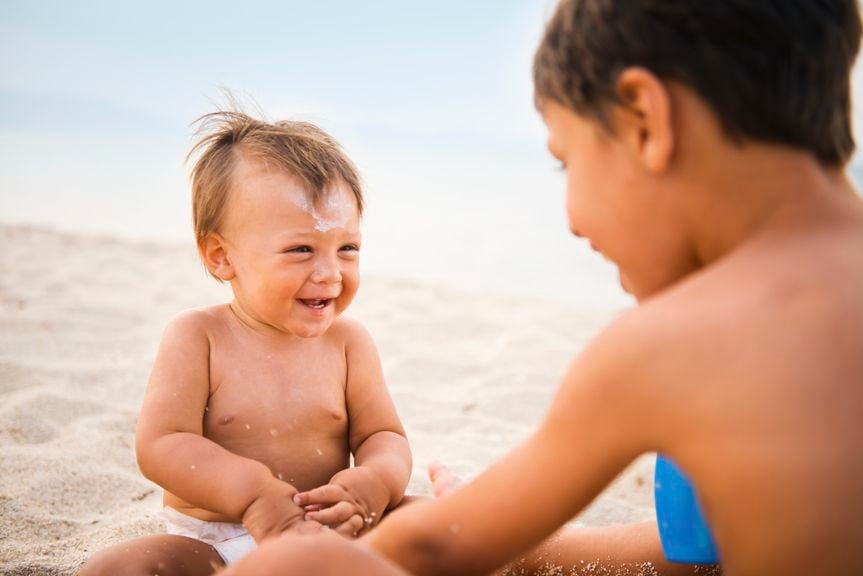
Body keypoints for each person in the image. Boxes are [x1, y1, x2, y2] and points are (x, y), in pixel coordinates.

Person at [221, 0, 863, 574]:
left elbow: (433, 549)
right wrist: (543, 550)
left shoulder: (675, 344)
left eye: (567, 158)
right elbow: (705, 553)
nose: (573, 218)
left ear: (645, 119)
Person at [77, 111, 412, 575]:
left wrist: (372, 483)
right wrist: (253, 494)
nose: (330, 272)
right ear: (222, 256)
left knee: (434, 521)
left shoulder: (348, 342)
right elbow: (161, 443)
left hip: (330, 531)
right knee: (121, 566)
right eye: (301, 249)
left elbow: (383, 435)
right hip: (223, 542)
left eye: (348, 248)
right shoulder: (198, 337)